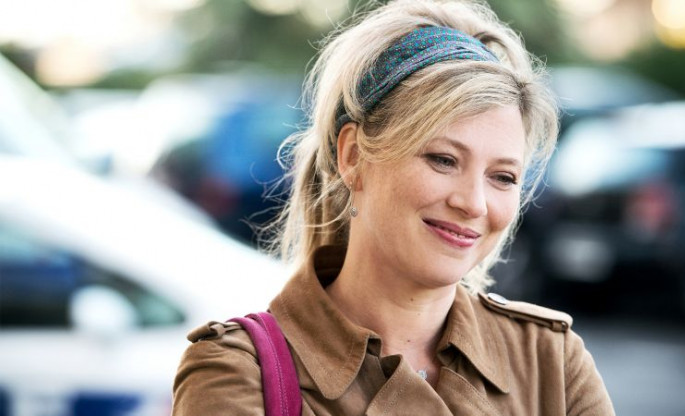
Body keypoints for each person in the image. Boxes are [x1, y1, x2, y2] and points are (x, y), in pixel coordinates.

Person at [172, 0, 615, 414]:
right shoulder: (238, 372)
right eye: (443, 160)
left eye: (503, 177)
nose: (474, 203)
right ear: (353, 156)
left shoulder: (551, 361)